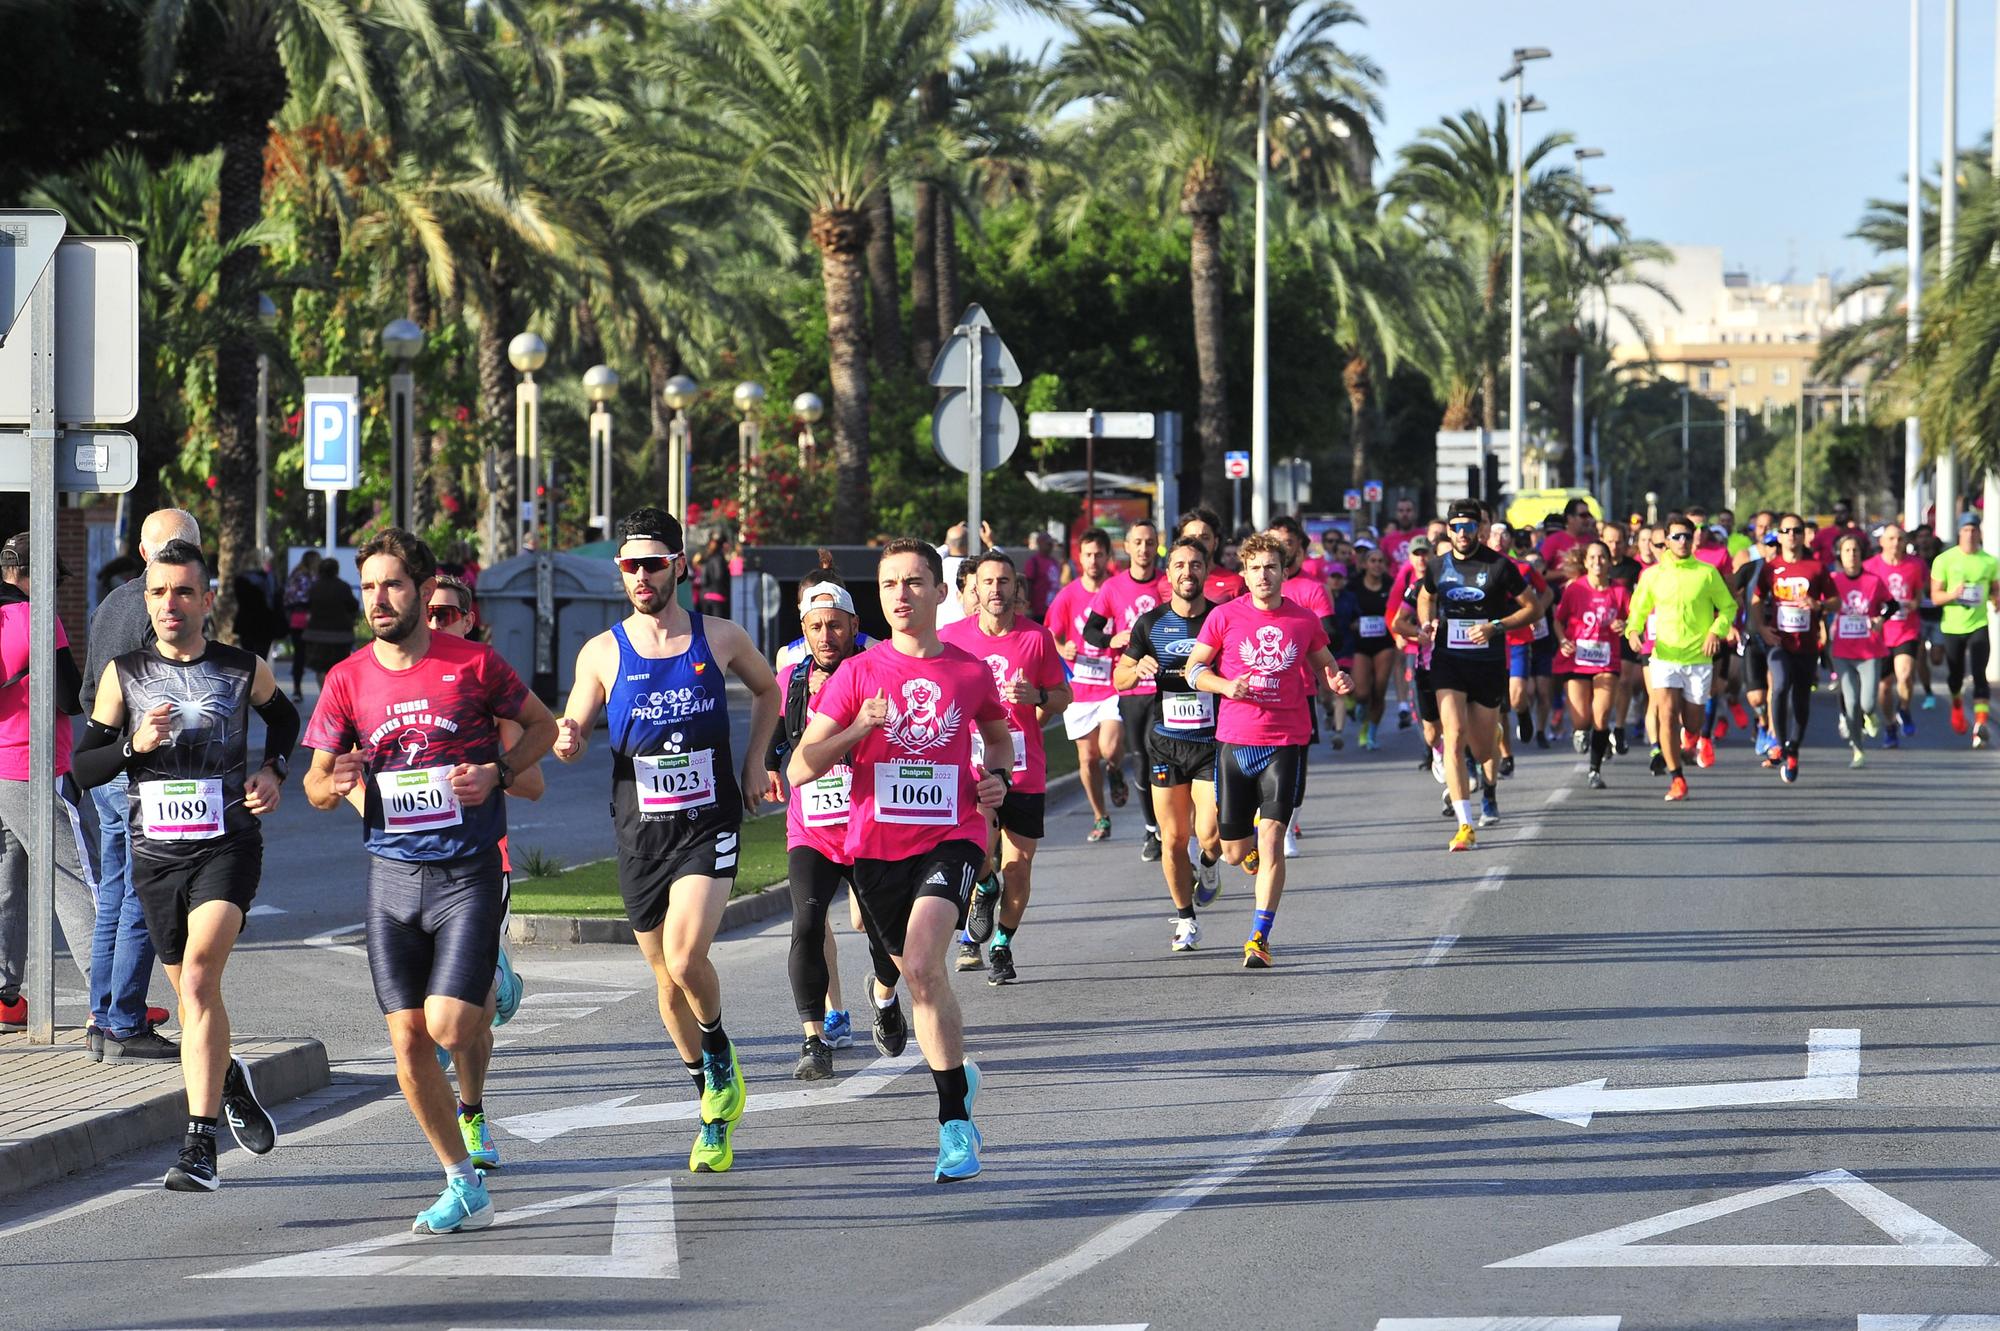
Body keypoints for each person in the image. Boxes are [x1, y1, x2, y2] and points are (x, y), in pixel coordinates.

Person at [302, 528, 557, 1233]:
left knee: (447, 1023)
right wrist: (336, 781)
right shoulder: (347, 678)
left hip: (466, 872)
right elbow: (315, 785)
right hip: (391, 878)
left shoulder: (473, 664)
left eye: (392, 585)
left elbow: (543, 725)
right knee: (408, 1042)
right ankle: (460, 1178)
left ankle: (487, 979)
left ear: (421, 586)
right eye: (369, 588)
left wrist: (497, 773)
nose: (379, 600)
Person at [554, 508, 779, 1172]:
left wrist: (753, 762)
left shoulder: (723, 636)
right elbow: (572, 725)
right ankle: (710, 1101)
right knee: (663, 977)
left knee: (685, 958)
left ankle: (718, 1048)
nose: (643, 576)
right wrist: (567, 739)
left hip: (709, 821)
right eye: (631, 566)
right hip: (638, 828)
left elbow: (769, 690)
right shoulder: (601, 650)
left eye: (654, 563)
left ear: (681, 564)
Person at [72, 540, 295, 1190]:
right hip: (156, 858)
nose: (171, 603)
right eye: (159, 592)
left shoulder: (239, 668)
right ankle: (227, 1074)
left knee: (198, 979)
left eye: (183, 592)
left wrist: (274, 769)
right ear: (147, 600)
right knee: (192, 995)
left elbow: (285, 719)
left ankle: (199, 1144)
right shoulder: (124, 675)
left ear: (205, 599)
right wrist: (131, 744)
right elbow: (85, 768)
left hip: (227, 845)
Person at [788, 538, 1011, 1182]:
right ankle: (956, 1074)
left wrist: (995, 779)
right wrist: (859, 728)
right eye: (890, 585)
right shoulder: (858, 674)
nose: (902, 595)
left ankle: (954, 1128)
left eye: (914, 583)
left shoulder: (970, 672)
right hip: (876, 848)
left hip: (952, 834)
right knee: (907, 972)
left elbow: (997, 738)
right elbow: (803, 766)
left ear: (942, 592)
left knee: (921, 962)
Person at [1184, 533, 1351, 963]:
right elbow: (1194, 669)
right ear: (1244, 573)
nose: (1264, 575)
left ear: (1284, 571)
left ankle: (1259, 936)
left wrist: (1337, 680)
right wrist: (1225, 685)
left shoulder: (1303, 619)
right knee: (1235, 849)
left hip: (1285, 741)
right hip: (1235, 743)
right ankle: (1248, 852)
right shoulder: (1224, 617)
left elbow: (1326, 665)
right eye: (1255, 568)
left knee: (1274, 837)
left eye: (1271, 567)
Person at [766, 570, 905, 1079]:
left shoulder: (879, 672)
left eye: (836, 626)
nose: (826, 637)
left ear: (854, 626)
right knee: (806, 924)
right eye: (816, 627)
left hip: (871, 825)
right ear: (804, 631)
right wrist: (765, 766)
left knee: (887, 937)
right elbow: (778, 728)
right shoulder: (791, 678)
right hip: (814, 830)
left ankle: (885, 996)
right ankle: (815, 1038)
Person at [80, 509, 198, 1057]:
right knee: (139, 899)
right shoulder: (165, 609)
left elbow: (87, 689)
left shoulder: (111, 600)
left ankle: (101, 1016)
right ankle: (124, 1022)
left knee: (113, 896)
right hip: (138, 768)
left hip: (105, 760)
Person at [417, 575, 535, 1093]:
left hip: (483, 863)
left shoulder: (490, 685)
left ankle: (472, 1112)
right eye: (428, 613)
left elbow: (532, 781)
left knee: (467, 1007)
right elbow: (336, 776)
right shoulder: (391, 681)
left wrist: (491, 770)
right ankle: (495, 977)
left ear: (469, 621)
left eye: (446, 614)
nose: (435, 622)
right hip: (410, 864)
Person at [944, 552, 1071, 983]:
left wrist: (1035, 696)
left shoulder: (1037, 638)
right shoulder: (952, 639)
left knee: (1018, 863)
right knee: (979, 850)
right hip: (972, 764)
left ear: (1016, 588)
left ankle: (1001, 944)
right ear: (973, 589)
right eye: (988, 582)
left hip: (1023, 766)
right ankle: (985, 886)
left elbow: (1063, 696)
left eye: (1005, 582)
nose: (996, 590)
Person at [0, 533, 98, 1037]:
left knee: (6, 878)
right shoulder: (37, 618)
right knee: (74, 876)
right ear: (33, 576)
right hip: (33, 764)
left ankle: (3, 997)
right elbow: (68, 697)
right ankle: (109, 1000)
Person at [1118, 538, 1224, 951]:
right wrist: (1137, 668)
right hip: (1166, 742)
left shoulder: (1221, 619)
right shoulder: (1150, 624)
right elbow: (1120, 679)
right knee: (1173, 838)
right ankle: (1185, 919)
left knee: (1210, 834)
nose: (1187, 572)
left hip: (1210, 742)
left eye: (1195, 565)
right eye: (1179, 565)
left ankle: (1210, 865)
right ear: (1169, 575)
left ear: (1205, 571)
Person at [1416, 502, 1538, 851]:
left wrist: (1496, 626)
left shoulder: (1499, 565)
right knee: (1453, 736)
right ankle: (1465, 824)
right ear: (1449, 530)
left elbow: (1534, 607)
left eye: (1470, 527)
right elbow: (1426, 595)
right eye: (1457, 527)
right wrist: (1427, 623)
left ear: (1480, 530)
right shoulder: (1438, 565)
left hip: (1486, 664)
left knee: (1484, 750)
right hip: (1448, 661)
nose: (1464, 534)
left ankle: (1494, 732)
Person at [1628, 514, 1738, 801]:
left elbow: (1728, 608)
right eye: (1676, 536)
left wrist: (1717, 631)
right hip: (1664, 656)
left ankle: (1691, 738)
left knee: (1692, 721)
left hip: (1698, 658)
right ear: (1666, 540)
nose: (1682, 541)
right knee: (1665, 714)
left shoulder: (1707, 573)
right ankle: (1677, 779)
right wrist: (1633, 631)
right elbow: (1638, 609)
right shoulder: (1652, 575)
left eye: (1687, 536)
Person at [1081, 520, 1169, 861]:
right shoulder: (1113, 588)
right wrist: (1110, 640)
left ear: (1156, 545)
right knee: (1142, 760)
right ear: (1128, 547)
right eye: (1138, 542)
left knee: (1162, 754)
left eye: (1150, 542)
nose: (1144, 549)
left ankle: (1174, 823)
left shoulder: (1167, 583)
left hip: (1166, 686)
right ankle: (1152, 830)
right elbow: (1091, 630)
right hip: (1131, 687)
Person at [1046, 529, 1124, 843]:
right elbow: (1050, 635)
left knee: (1109, 747)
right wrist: (1061, 648)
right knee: (1087, 758)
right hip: (1079, 688)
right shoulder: (1068, 595)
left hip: (1113, 683)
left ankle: (1116, 770)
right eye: (1088, 554)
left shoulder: (1116, 590)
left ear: (1108, 557)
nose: (1093, 560)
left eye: (1099, 554)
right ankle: (1100, 816)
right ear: (1080, 557)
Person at [1749, 513, 1836, 782]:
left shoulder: (1816, 567)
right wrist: (1762, 629)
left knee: (1800, 697)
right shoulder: (1770, 567)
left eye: (1797, 531)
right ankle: (1780, 741)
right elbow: (1755, 599)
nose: (1792, 536)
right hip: (1779, 643)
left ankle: (1794, 748)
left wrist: (1819, 605)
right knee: (1781, 683)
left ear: (1802, 535)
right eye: (1787, 531)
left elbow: (1836, 602)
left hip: (1807, 644)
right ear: (1780, 535)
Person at [1555, 541, 1630, 789]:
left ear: (1609, 562)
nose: (1598, 562)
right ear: (1585, 562)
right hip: (1577, 660)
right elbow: (1558, 620)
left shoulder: (1619, 591)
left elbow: (1632, 619)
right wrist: (1563, 639)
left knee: (1601, 716)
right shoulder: (1575, 589)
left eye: (1602, 557)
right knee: (1581, 719)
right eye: (1593, 558)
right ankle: (1579, 731)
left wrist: (1626, 626)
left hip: (1607, 660)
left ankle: (1594, 770)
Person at [1929, 517, 1999, 746]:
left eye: (1973, 530)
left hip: (1978, 624)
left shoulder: (1989, 561)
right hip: (1952, 627)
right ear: (1959, 532)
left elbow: (1995, 591)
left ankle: (1980, 725)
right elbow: (1935, 597)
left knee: (1980, 673)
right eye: (1965, 530)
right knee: (1955, 676)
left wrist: (1996, 599)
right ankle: (1957, 703)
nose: (1970, 534)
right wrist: (1953, 594)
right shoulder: (1944, 560)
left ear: (1979, 533)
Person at [1828, 532, 1895, 767]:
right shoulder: (1833, 580)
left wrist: (1881, 620)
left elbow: (1892, 604)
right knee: (1851, 703)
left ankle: (1871, 715)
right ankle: (1857, 749)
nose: (1852, 555)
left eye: (1855, 550)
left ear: (1861, 554)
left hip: (1869, 651)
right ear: (1840, 555)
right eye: (1847, 550)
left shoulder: (1873, 581)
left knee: (1867, 703)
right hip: (1843, 651)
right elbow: (1820, 603)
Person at [1865, 523, 1927, 745]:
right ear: (1882, 542)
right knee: (1884, 687)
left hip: (1906, 630)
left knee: (1906, 675)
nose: (1895, 543)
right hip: (1880, 634)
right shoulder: (1870, 566)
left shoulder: (1915, 565)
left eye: (1900, 539)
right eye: (1891, 539)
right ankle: (1890, 725)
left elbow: (1919, 594)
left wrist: (1914, 603)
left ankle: (1904, 709)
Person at [301, 557, 359, 684]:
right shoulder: (343, 587)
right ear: (336, 570)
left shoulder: (314, 587)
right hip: (341, 635)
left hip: (317, 634)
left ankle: (324, 692)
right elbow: (353, 605)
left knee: (320, 668)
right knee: (339, 666)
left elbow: (307, 605)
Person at [282, 550, 321, 702]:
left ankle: (297, 688)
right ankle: (305, 689)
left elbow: (288, 597)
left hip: (295, 619)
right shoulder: (310, 577)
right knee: (311, 655)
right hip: (309, 619)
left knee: (299, 654)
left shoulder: (295, 575)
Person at [1019, 531, 1062, 623]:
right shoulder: (1034, 562)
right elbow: (1028, 583)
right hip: (1039, 610)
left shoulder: (1054, 562)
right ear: (1040, 543)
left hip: (1053, 609)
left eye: (1051, 544)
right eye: (1048, 544)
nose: (1050, 546)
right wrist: (1028, 604)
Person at [698, 533, 732, 620]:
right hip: (718, 597)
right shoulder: (719, 559)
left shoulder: (706, 558)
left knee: (706, 627)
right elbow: (719, 576)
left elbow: (703, 579)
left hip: (705, 597)